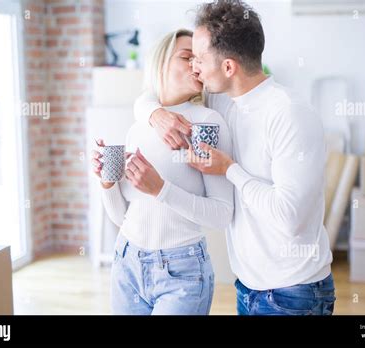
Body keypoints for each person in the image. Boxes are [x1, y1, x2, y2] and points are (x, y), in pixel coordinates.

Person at [133, 0, 336, 315]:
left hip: (294, 292)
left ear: (228, 67)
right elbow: (151, 92)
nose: (194, 67)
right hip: (248, 285)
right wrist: (154, 114)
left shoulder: (289, 113)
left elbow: (290, 218)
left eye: (199, 59)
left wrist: (229, 170)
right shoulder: (222, 100)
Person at [91, 29, 234, 315]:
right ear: (161, 62)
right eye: (186, 57)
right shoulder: (138, 125)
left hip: (182, 271)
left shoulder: (207, 123)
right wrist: (107, 184)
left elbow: (221, 215)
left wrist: (160, 189)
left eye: (199, 60)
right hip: (127, 263)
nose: (195, 65)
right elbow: (123, 216)